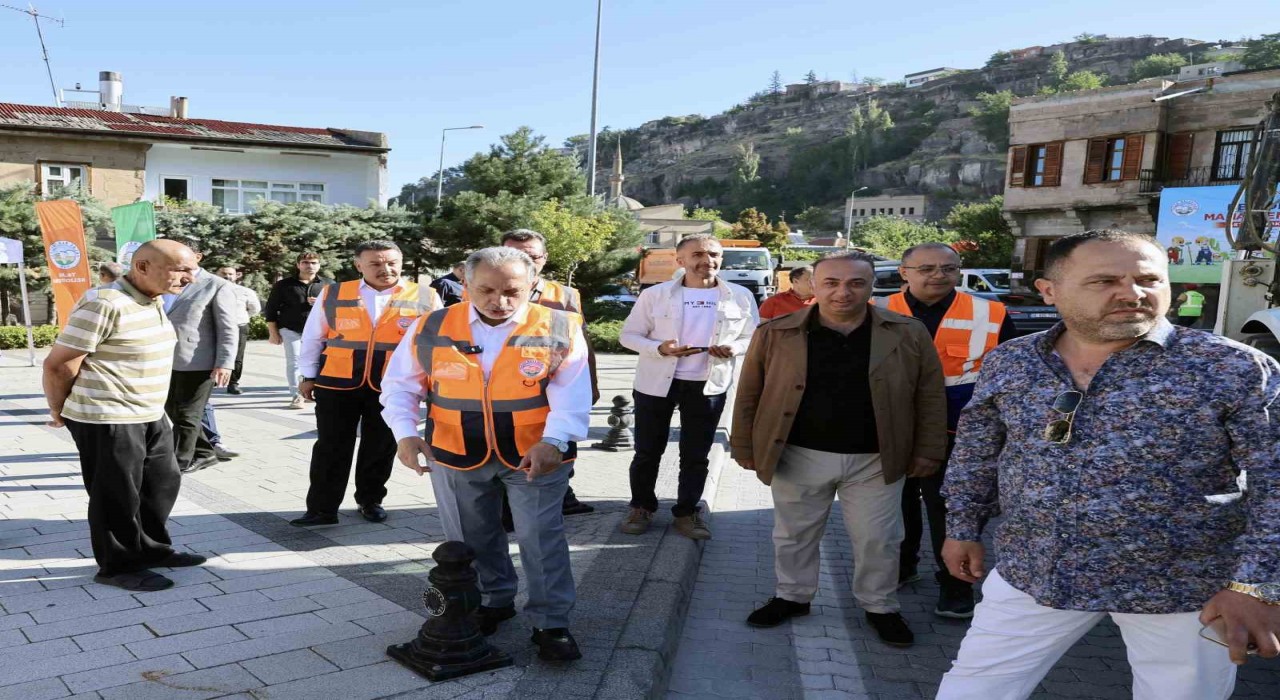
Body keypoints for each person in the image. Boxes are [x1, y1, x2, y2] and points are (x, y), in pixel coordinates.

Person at [937, 230, 1280, 699]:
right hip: (1035, 572)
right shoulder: (1012, 363)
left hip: (1180, 588)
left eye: (1148, 279)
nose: (1132, 293)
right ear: (1049, 291)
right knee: (972, 691)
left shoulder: (1231, 368)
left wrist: (1257, 586)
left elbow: (1274, 481)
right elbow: (977, 450)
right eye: (1104, 281)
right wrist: (962, 526)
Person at [381, 246, 592, 661]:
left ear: (533, 284)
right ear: (465, 285)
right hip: (456, 450)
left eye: (512, 291)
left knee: (540, 536)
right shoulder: (432, 325)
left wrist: (554, 441)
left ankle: (551, 623)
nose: (499, 301)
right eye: (486, 290)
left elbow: (573, 393)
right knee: (471, 536)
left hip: (535, 454)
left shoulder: (559, 326)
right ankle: (494, 602)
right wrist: (404, 434)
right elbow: (401, 385)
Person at [731, 252, 947, 648]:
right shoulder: (777, 331)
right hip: (797, 454)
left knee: (878, 538)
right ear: (813, 285)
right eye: (831, 283)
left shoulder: (907, 332)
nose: (842, 292)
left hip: (876, 459)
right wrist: (743, 444)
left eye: (855, 283)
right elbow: (749, 393)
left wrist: (929, 449)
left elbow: (930, 395)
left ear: (871, 286)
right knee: (793, 535)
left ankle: (880, 606)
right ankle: (792, 597)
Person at [41, 240, 208, 591]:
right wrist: (59, 411)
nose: (190, 277)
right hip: (108, 416)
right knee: (116, 494)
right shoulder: (104, 302)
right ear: (143, 266)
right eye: (181, 269)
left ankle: (152, 549)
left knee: (161, 484)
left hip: (149, 413)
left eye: (192, 269)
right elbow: (59, 364)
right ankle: (117, 566)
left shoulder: (154, 300)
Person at [877, 243, 1015, 620]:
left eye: (948, 268)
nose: (938, 275)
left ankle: (955, 585)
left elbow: (1011, 377)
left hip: (959, 433)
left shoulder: (992, 312)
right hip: (890, 429)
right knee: (895, 505)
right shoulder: (876, 310)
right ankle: (903, 567)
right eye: (926, 269)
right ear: (904, 272)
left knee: (951, 510)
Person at [290, 240, 440, 527]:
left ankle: (370, 500)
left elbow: (435, 344)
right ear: (359, 265)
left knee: (380, 445)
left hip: (391, 386)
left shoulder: (426, 296)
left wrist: (430, 385)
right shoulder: (333, 293)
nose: (386, 268)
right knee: (331, 446)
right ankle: (322, 509)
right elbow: (313, 336)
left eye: (392, 262)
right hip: (337, 382)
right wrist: (308, 375)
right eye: (375, 263)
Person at [619, 234, 759, 540]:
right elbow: (628, 336)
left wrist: (734, 348)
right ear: (680, 261)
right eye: (697, 254)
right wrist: (660, 348)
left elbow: (753, 337)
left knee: (696, 453)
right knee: (647, 451)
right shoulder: (655, 295)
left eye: (713, 254)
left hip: (708, 385)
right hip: (656, 383)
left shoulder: (739, 295)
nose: (706, 260)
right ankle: (641, 507)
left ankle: (687, 511)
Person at [498, 229, 598, 517]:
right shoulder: (482, 288)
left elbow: (582, 342)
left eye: (532, 255)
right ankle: (509, 507)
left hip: (556, 380)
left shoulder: (565, 294)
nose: (525, 261)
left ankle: (562, 495)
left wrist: (590, 383)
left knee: (560, 435)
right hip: (508, 385)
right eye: (515, 255)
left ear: (545, 258)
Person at [162, 237, 238, 474]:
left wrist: (225, 363)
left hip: (199, 360)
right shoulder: (164, 280)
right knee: (172, 410)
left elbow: (228, 327)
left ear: (198, 256)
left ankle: (178, 463)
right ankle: (205, 452)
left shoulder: (215, 285)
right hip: (165, 359)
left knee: (187, 414)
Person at [264, 251, 331, 409]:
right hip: (291, 329)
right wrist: (273, 332)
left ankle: (319, 392)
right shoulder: (284, 285)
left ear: (319, 265)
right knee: (294, 362)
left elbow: (339, 308)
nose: (310, 266)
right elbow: (271, 309)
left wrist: (322, 303)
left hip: (320, 331)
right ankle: (297, 396)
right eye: (306, 263)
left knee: (321, 362)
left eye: (314, 263)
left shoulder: (328, 284)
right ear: (298, 265)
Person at [215, 266, 261, 394]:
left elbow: (254, 309)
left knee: (237, 356)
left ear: (236, 276)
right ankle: (212, 380)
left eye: (230, 274)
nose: (227, 276)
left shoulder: (245, 291)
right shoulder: (211, 290)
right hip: (215, 326)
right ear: (217, 274)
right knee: (212, 352)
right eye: (224, 273)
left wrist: (242, 317)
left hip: (238, 326)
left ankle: (233, 383)